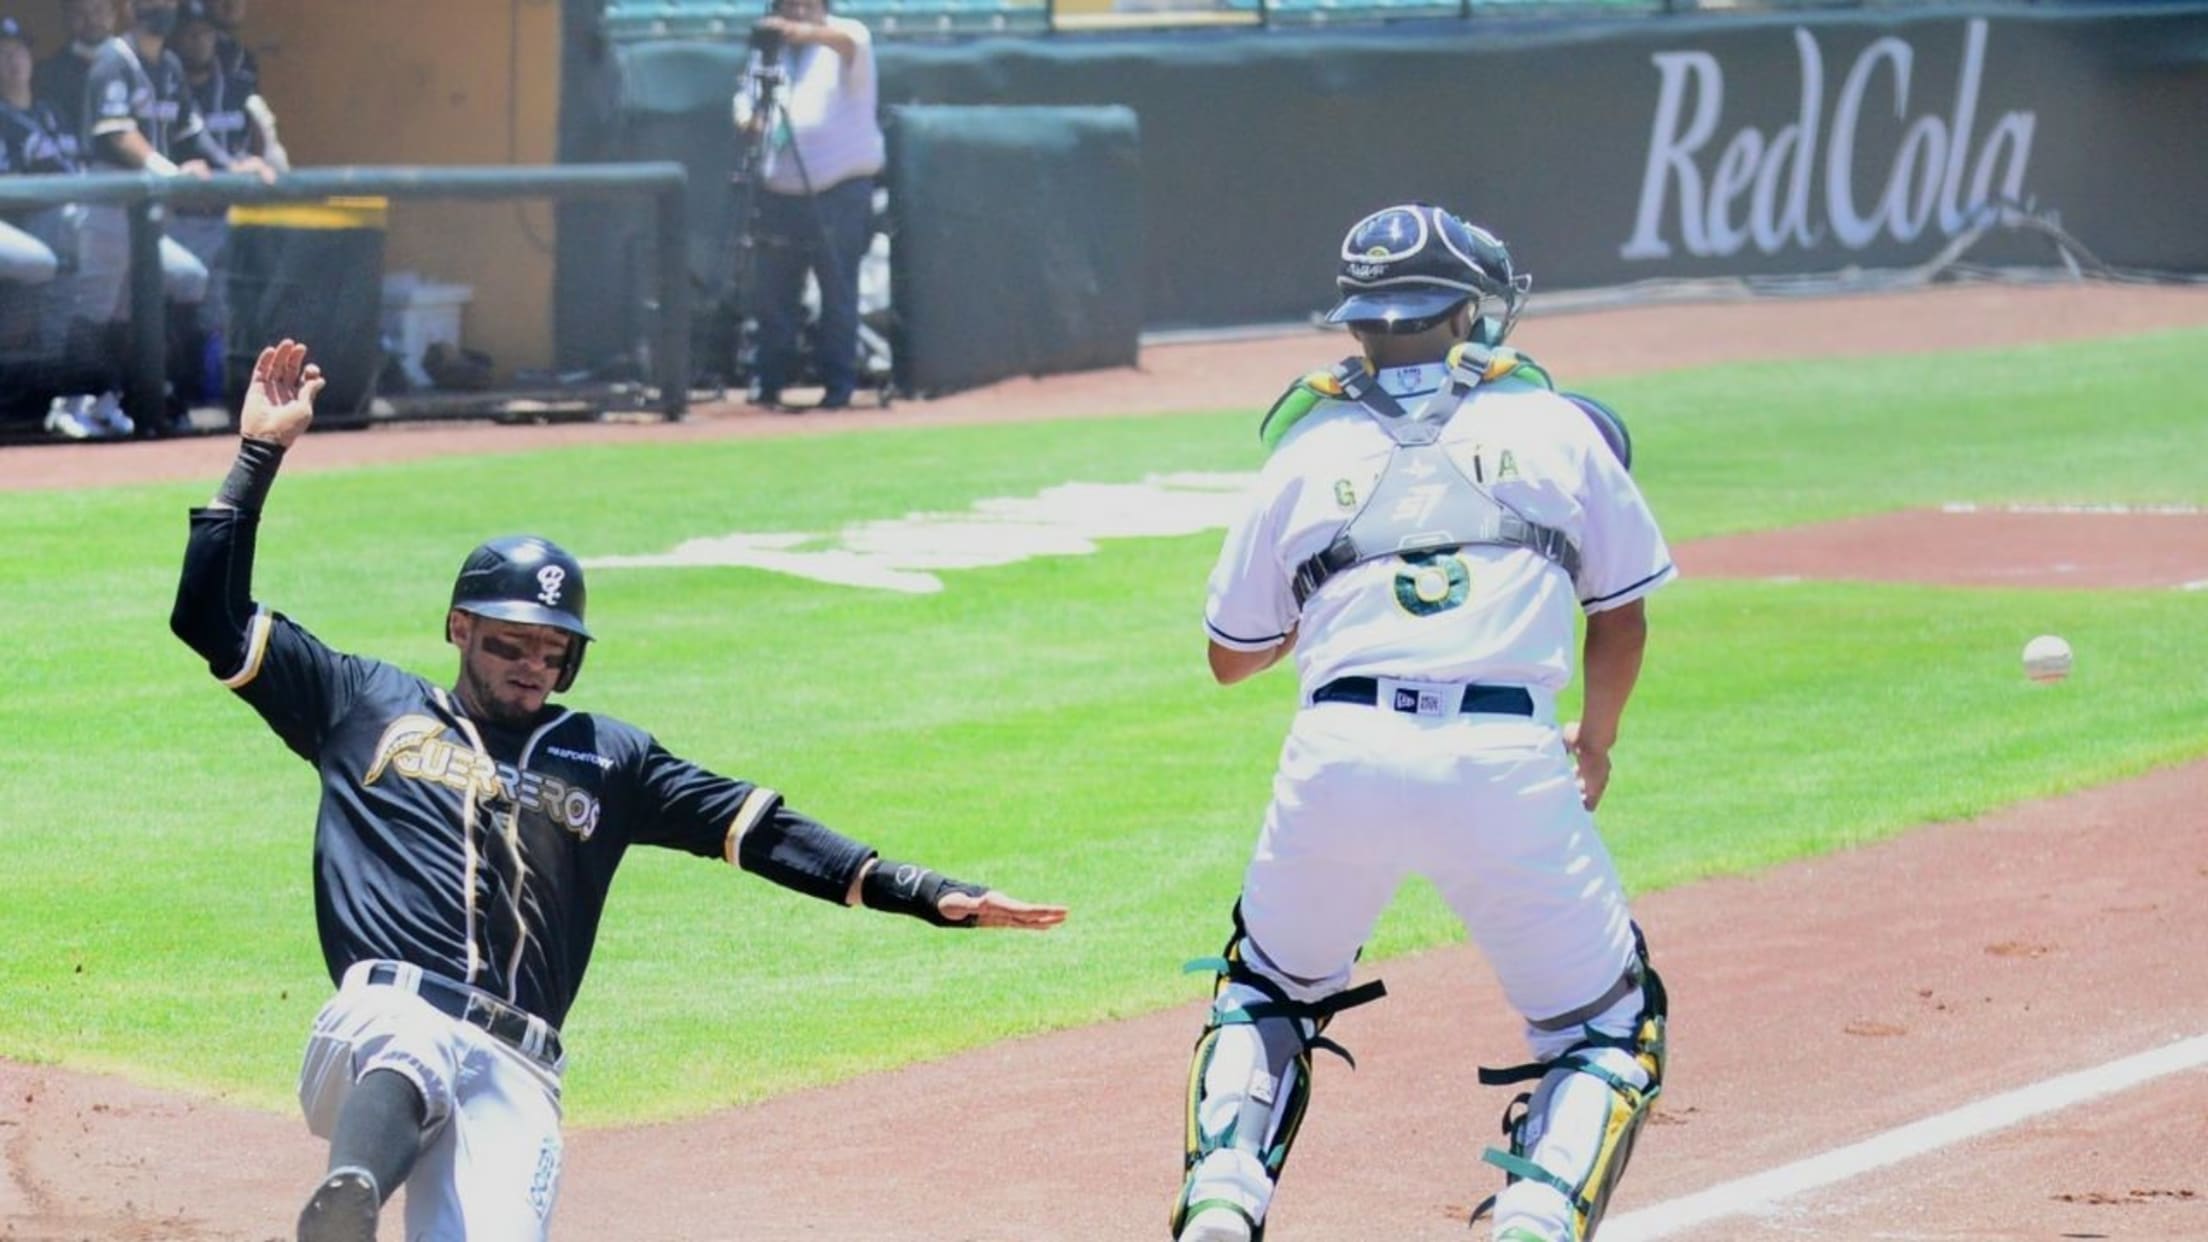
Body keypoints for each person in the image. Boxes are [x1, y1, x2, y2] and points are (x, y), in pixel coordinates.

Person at [168, 340, 1069, 1242]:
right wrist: (259, 455)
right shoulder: (359, 701)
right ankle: (355, 1191)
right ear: (459, 629)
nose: (532, 665)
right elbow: (207, 616)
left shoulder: (608, 757)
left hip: (517, 1066)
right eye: (509, 643)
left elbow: (758, 829)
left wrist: (918, 889)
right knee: (410, 1040)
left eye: (553, 650)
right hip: (382, 1020)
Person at [1169, 203, 1674, 1242]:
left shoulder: (1303, 447)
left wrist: (1338, 592)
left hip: (1338, 759)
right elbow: (1620, 616)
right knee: (1605, 1029)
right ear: (1464, 312)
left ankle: (1224, 1189)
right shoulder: (1558, 425)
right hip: (1504, 759)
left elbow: (1230, 657)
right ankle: (1537, 1213)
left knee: (1268, 991)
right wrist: (1597, 741)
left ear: (1359, 321)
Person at [731, 0, 883, 412]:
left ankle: (838, 385)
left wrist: (807, 33)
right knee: (774, 294)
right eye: (789, 4)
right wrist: (753, 121)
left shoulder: (847, 33)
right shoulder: (770, 52)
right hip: (779, 191)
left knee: (837, 290)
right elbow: (745, 106)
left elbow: (849, 44)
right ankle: (769, 382)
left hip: (838, 188)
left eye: (806, 3)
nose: (797, 12)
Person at [1, 13, 132, 438]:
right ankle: (68, 394)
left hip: (75, 225)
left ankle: (104, 393)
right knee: (86, 257)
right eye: (2, 53)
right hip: (33, 223)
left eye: (18, 51)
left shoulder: (50, 112)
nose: (13, 60)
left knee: (121, 271)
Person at [32, 0, 113, 164]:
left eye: (98, 10)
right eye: (79, 13)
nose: (91, 20)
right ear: (66, 18)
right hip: (72, 169)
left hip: (130, 170)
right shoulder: (49, 73)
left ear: (113, 14)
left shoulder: (133, 65)